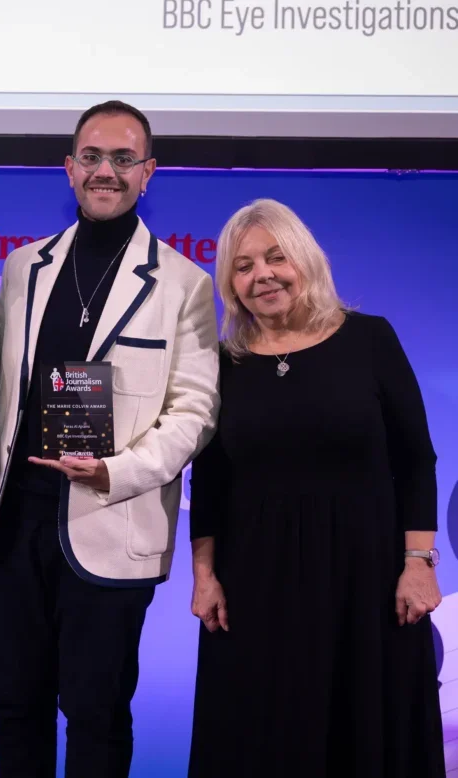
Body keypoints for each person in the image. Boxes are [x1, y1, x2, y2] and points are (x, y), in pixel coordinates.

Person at [0, 100, 220, 777]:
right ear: (69, 167)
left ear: (148, 173)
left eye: (122, 159)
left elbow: (194, 412)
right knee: (14, 709)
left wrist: (117, 469)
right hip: (15, 519)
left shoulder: (184, 284)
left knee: (97, 714)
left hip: (112, 519)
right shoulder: (25, 267)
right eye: (91, 157)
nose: (104, 171)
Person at [187, 198, 445, 777]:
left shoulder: (371, 340)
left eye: (276, 258)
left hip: (370, 580)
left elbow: (416, 459)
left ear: (305, 259)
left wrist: (419, 561)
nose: (263, 275)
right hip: (255, 586)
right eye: (244, 265)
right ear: (230, 282)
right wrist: (203, 576)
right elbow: (210, 477)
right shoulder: (223, 364)